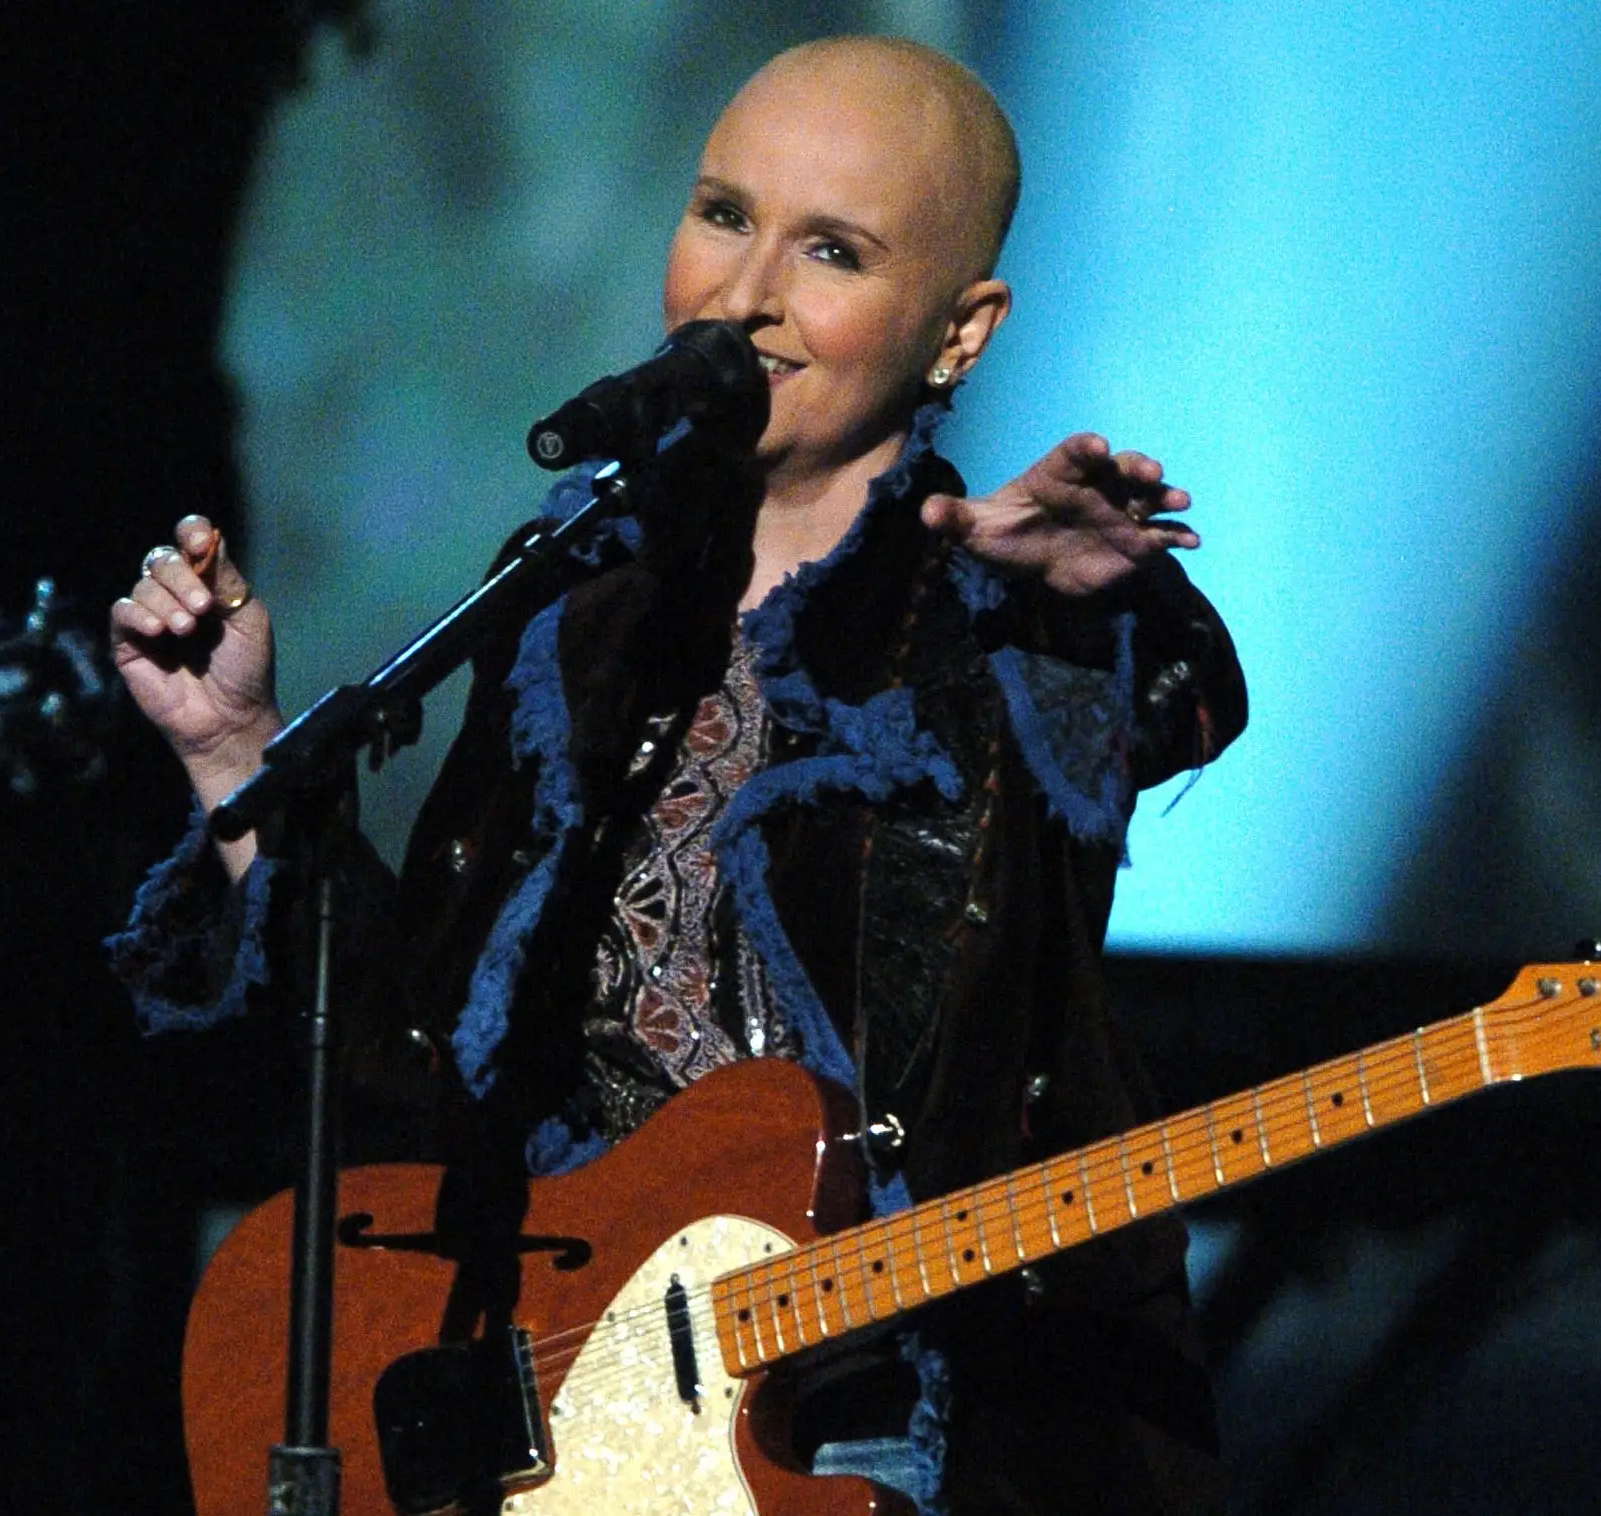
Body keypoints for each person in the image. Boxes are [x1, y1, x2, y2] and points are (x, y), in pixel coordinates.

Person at [109, 35, 1246, 1516]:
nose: (744, 293)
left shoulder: (1003, 625)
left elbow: (1172, 707)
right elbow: (420, 1064)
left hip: (885, 1425)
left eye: (831, 250)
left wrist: (1093, 601)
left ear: (959, 335)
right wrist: (230, 747)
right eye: (723, 214)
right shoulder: (571, 617)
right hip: (577, 1421)